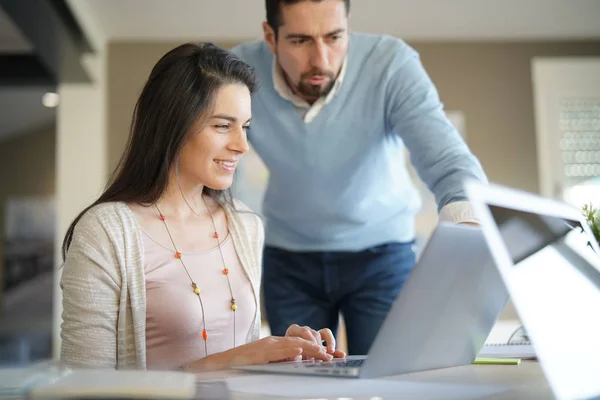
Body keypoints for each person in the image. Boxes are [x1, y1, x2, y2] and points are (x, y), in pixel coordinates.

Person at [59, 42, 345, 371]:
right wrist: (240, 358)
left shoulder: (245, 225)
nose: (241, 145)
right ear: (172, 125)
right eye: (223, 126)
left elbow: (236, 357)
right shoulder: (105, 232)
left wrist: (280, 351)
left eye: (245, 127)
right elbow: (84, 387)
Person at [231, 0, 487, 355]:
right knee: (298, 385)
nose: (321, 59)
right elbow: (207, 156)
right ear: (270, 38)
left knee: (388, 379)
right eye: (301, 41)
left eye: (335, 37)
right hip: (290, 260)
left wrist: (469, 233)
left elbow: (447, 160)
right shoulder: (238, 74)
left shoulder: (391, 65)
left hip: (383, 256)